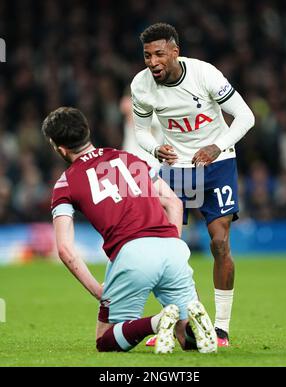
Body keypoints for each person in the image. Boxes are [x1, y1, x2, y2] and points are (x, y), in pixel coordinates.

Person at [41, 106, 218, 354]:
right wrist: (168, 247)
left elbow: (65, 250)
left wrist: (99, 292)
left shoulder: (65, 183)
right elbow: (174, 202)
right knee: (186, 336)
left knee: (105, 341)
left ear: (59, 148)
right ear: (87, 131)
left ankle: (157, 322)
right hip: (172, 246)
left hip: (132, 254)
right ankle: (193, 329)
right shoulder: (130, 159)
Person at [131, 22, 255, 347]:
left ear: (175, 51)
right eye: (147, 56)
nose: (153, 62)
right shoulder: (141, 86)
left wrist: (218, 145)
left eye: (159, 54)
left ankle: (222, 329)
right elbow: (142, 131)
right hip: (176, 169)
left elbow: (245, 116)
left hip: (218, 163)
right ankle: (189, 326)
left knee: (219, 244)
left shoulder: (205, 75)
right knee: (168, 251)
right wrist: (154, 148)